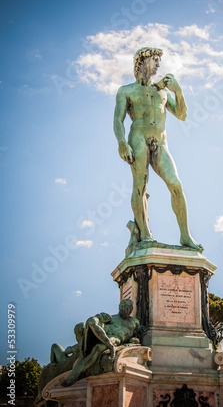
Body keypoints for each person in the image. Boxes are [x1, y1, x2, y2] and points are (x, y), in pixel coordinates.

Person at [113, 47, 201, 250]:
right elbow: (118, 119)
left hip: (161, 142)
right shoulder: (126, 91)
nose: (158, 64)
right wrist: (121, 143)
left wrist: (178, 91)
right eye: (154, 60)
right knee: (140, 185)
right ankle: (145, 233)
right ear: (142, 63)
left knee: (176, 184)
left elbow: (182, 114)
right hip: (138, 138)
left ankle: (185, 235)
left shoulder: (161, 91)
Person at [62, 299, 139, 387]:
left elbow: (136, 334)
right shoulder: (113, 318)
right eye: (124, 308)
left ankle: (75, 375)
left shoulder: (134, 322)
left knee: (97, 348)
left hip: (115, 338)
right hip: (104, 333)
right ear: (119, 307)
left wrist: (134, 339)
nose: (126, 310)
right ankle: (76, 372)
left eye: (129, 309)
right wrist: (99, 317)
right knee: (91, 321)